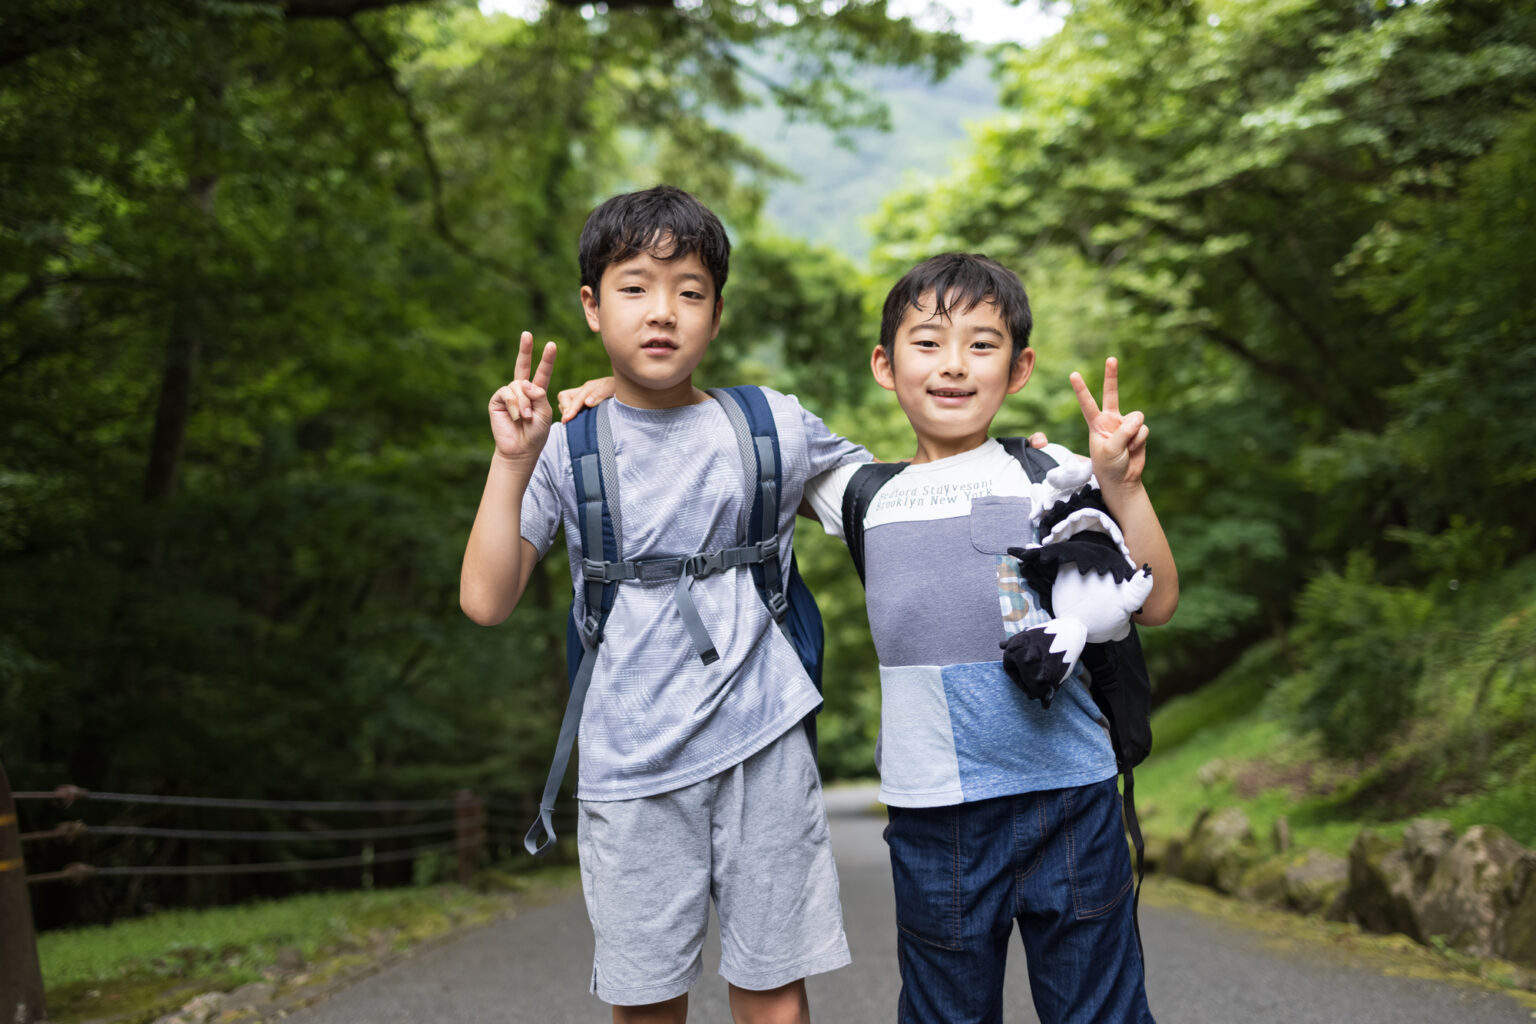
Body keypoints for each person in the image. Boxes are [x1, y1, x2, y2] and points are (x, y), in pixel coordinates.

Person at [459, 185, 863, 1024]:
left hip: (764, 744)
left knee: (775, 999)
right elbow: (487, 599)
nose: (662, 311)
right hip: (629, 764)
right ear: (592, 305)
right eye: (635, 286)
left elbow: (886, 504)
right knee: (646, 1006)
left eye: (689, 291)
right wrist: (511, 463)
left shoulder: (772, 429)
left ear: (716, 315)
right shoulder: (565, 446)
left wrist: (1014, 468)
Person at [797, 252, 1178, 1024]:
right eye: (927, 342)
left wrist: (1123, 486)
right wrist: (618, 389)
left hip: (1069, 798)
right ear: (884, 362)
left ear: (1020, 366)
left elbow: (1157, 598)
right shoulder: (861, 492)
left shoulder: (1057, 473)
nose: (954, 366)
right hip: (933, 814)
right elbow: (742, 431)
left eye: (981, 343)